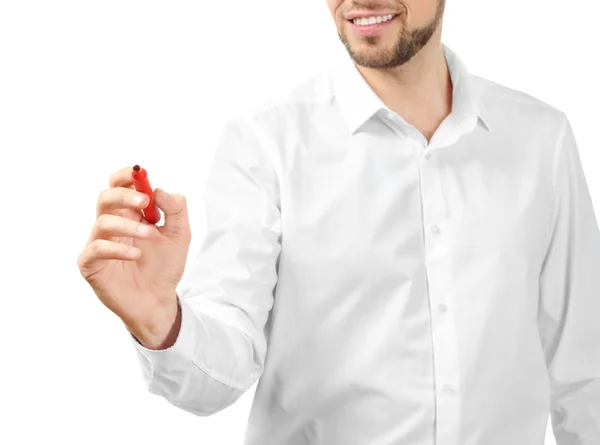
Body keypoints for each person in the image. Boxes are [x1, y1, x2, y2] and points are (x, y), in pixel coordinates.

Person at [77, 0, 600, 443]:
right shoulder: (265, 144)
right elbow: (221, 375)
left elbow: (584, 369)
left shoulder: (539, 140)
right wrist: (160, 322)